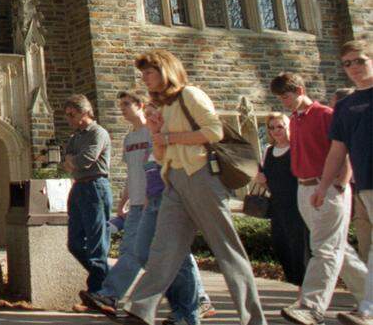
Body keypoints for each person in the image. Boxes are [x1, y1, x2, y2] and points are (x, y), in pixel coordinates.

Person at [116, 49, 265, 325]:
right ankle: (141, 311)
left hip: (201, 177)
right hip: (173, 180)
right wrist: (156, 134)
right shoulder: (160, 107)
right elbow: (161, 155)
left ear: (165, 71)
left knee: (226, 249)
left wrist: (169, 136)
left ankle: (254, 319)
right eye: (143, 73)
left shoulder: (190, 95)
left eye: (149, 72)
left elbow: (213, 131)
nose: (145, 78)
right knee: (163, 249)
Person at [81, 93, 210, 325]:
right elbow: (136, 172)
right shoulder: (130, 138)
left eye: (126, 104)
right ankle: (117, 297)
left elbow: (169, 169)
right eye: (119, 105)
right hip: (140, 203)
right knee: (137, 252)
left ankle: (191, 304)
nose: (122, 109)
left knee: (173, 256)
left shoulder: (160, 134)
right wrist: (125, 199)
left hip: (162, 203)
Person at [272, 72, 367, 325]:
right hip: (305, 188)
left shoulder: (325, 114)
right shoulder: (296, 118)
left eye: (287, 96)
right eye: (281, 98)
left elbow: (344, 148)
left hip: (326, 189)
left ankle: (311, 306)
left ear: (300, 90)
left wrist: (340, 183)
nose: (285, 102)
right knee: (338, 250)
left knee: (324, 248)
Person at [311, 40, 373, 325]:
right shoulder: (346, 106)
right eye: (347, 64)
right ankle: (368, 310)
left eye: (359, 60)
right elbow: (338, 149)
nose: (354, 68)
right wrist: (323, 186)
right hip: (368, 183)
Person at [61, 94, 112, 296]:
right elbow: (67, 160)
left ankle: (99, 290)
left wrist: (73, 160)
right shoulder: (76, 137)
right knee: (74, 243)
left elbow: (85, 161)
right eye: (67, 115)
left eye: (71, 114)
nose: (69, 119)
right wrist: (73, 160)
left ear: (84, 112)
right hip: (79, 187)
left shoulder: (97, 133)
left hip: (95, 186)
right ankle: (106, 276)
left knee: (96, 242)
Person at [255, 113, 310, 287]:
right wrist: (261, 180)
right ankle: (293, 284)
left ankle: (305, 286)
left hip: (298, 205)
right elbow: (268, 183)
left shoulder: (298, 148)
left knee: (300, 249)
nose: (276, 131)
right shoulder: (269, 151)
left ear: (289, 126)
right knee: (282, 246)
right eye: (272, 128)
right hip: (277, 207)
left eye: (280, 126)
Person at [332, 87, 371, 261]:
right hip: (359, 187)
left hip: (358, 185)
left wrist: (341, 184)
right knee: (363, 234)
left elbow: (345, 155)